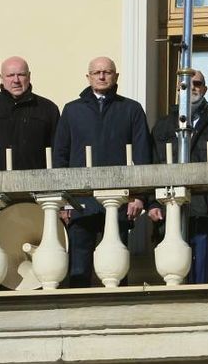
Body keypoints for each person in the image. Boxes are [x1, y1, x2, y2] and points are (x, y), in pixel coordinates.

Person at [53, 56, 152, 288]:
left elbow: (143, 155)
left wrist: (139, 195)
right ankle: (77, 316)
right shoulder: (72, 110)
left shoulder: (131, 109)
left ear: (116, 76)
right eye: (97, 72)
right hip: (80, 203)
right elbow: (60, 157)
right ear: (88, 77)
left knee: (117, 268)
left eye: (107, 72)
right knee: (78, 268)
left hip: (119, 201)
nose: (102, 76)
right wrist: (63, 201)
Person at [151, 69, 208, 284]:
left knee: (202, 272)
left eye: (197, 83)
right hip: (170, 207)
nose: (192, 87)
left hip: (207, 208)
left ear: (204, 87)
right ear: (177, 89)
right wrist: (152, 202)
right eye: (186, 84)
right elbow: (153, 166)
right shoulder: (163, 125)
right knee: (173, 272)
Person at [0, 57, 60, 172]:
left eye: (21, 75)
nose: (16, 80)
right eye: (10, 75)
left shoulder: (48, 109)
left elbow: (57, 153)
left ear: (29, 76)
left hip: (36, 184)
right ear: (1, 78)